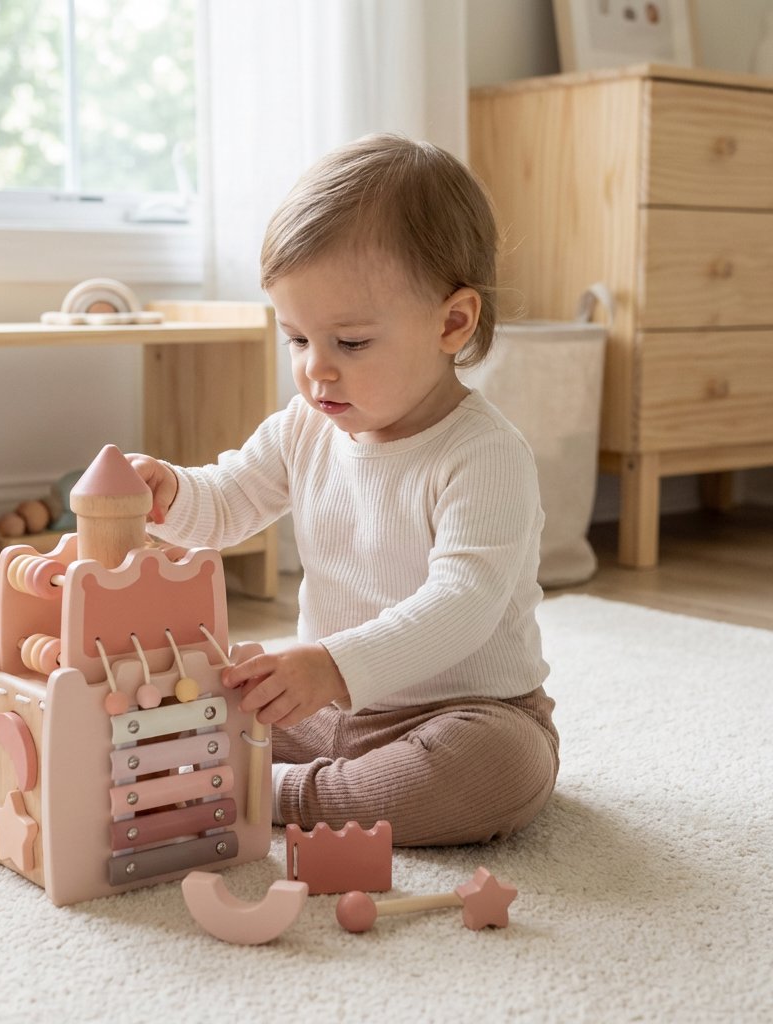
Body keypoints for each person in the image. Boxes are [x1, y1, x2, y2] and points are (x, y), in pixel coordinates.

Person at [128, 132, 559, 847]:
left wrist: (333, 666)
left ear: (453, 323)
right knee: (218, 688)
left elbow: (462, 605)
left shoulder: (484, 454)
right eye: (297, 339)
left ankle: (273, 794)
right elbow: (231, 498)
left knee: (503, 769)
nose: (314, 372)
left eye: (349, 344)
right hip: (329, 710)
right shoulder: (306, 426)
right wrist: (171, 493)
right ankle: (132, 761)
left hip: (463, 712)